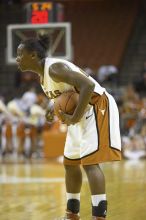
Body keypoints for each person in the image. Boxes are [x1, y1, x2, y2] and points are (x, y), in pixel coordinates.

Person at [16, 35, 121, 220]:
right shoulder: (43, 76)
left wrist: (74, 117)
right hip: (80, 111)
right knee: (70, 163)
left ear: (32, 55)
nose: (17, 59)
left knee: (90, 163)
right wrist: (51, 109)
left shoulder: (55, 68)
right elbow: (65, 95)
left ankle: (99, 216)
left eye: (19, 54)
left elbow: (87, 85)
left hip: (97, 105)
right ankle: (72, 214)